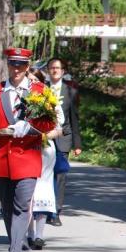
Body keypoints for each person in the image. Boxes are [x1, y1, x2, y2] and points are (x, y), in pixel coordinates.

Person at [0, 47, 50, 252]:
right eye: (12, 64)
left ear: (27, 67)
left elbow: (51, 123)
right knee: (7, 208)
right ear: (7, 65)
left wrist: (32, 126)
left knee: (21, 206)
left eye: (21, 65)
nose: (16, 69)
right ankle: (21, 245)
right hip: (2, 158)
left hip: (28, 157)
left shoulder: (39, 90)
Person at [26, 67, 64, 250]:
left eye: (35, 79)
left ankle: (39, 235)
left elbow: (59, 127)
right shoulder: (21, 98)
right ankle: (29, 233)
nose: (33, 83)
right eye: (29, 79)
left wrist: (46, 136)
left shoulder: (49, 98)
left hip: (45, 149)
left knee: (43, 189)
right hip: (26, 148)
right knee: (27, 190)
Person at [46, 57, 82, 227]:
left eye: (58, 68)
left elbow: (74, 118)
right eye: (52, 67)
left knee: (60, 174)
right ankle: (43, 207)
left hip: (64, 138)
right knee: (45, 174)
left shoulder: (71, 92)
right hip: (45, 138)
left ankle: (55, 212)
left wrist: (77, 143)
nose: (55, 70)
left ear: (63, 71)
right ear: (48, 70)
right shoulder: (41, 90)